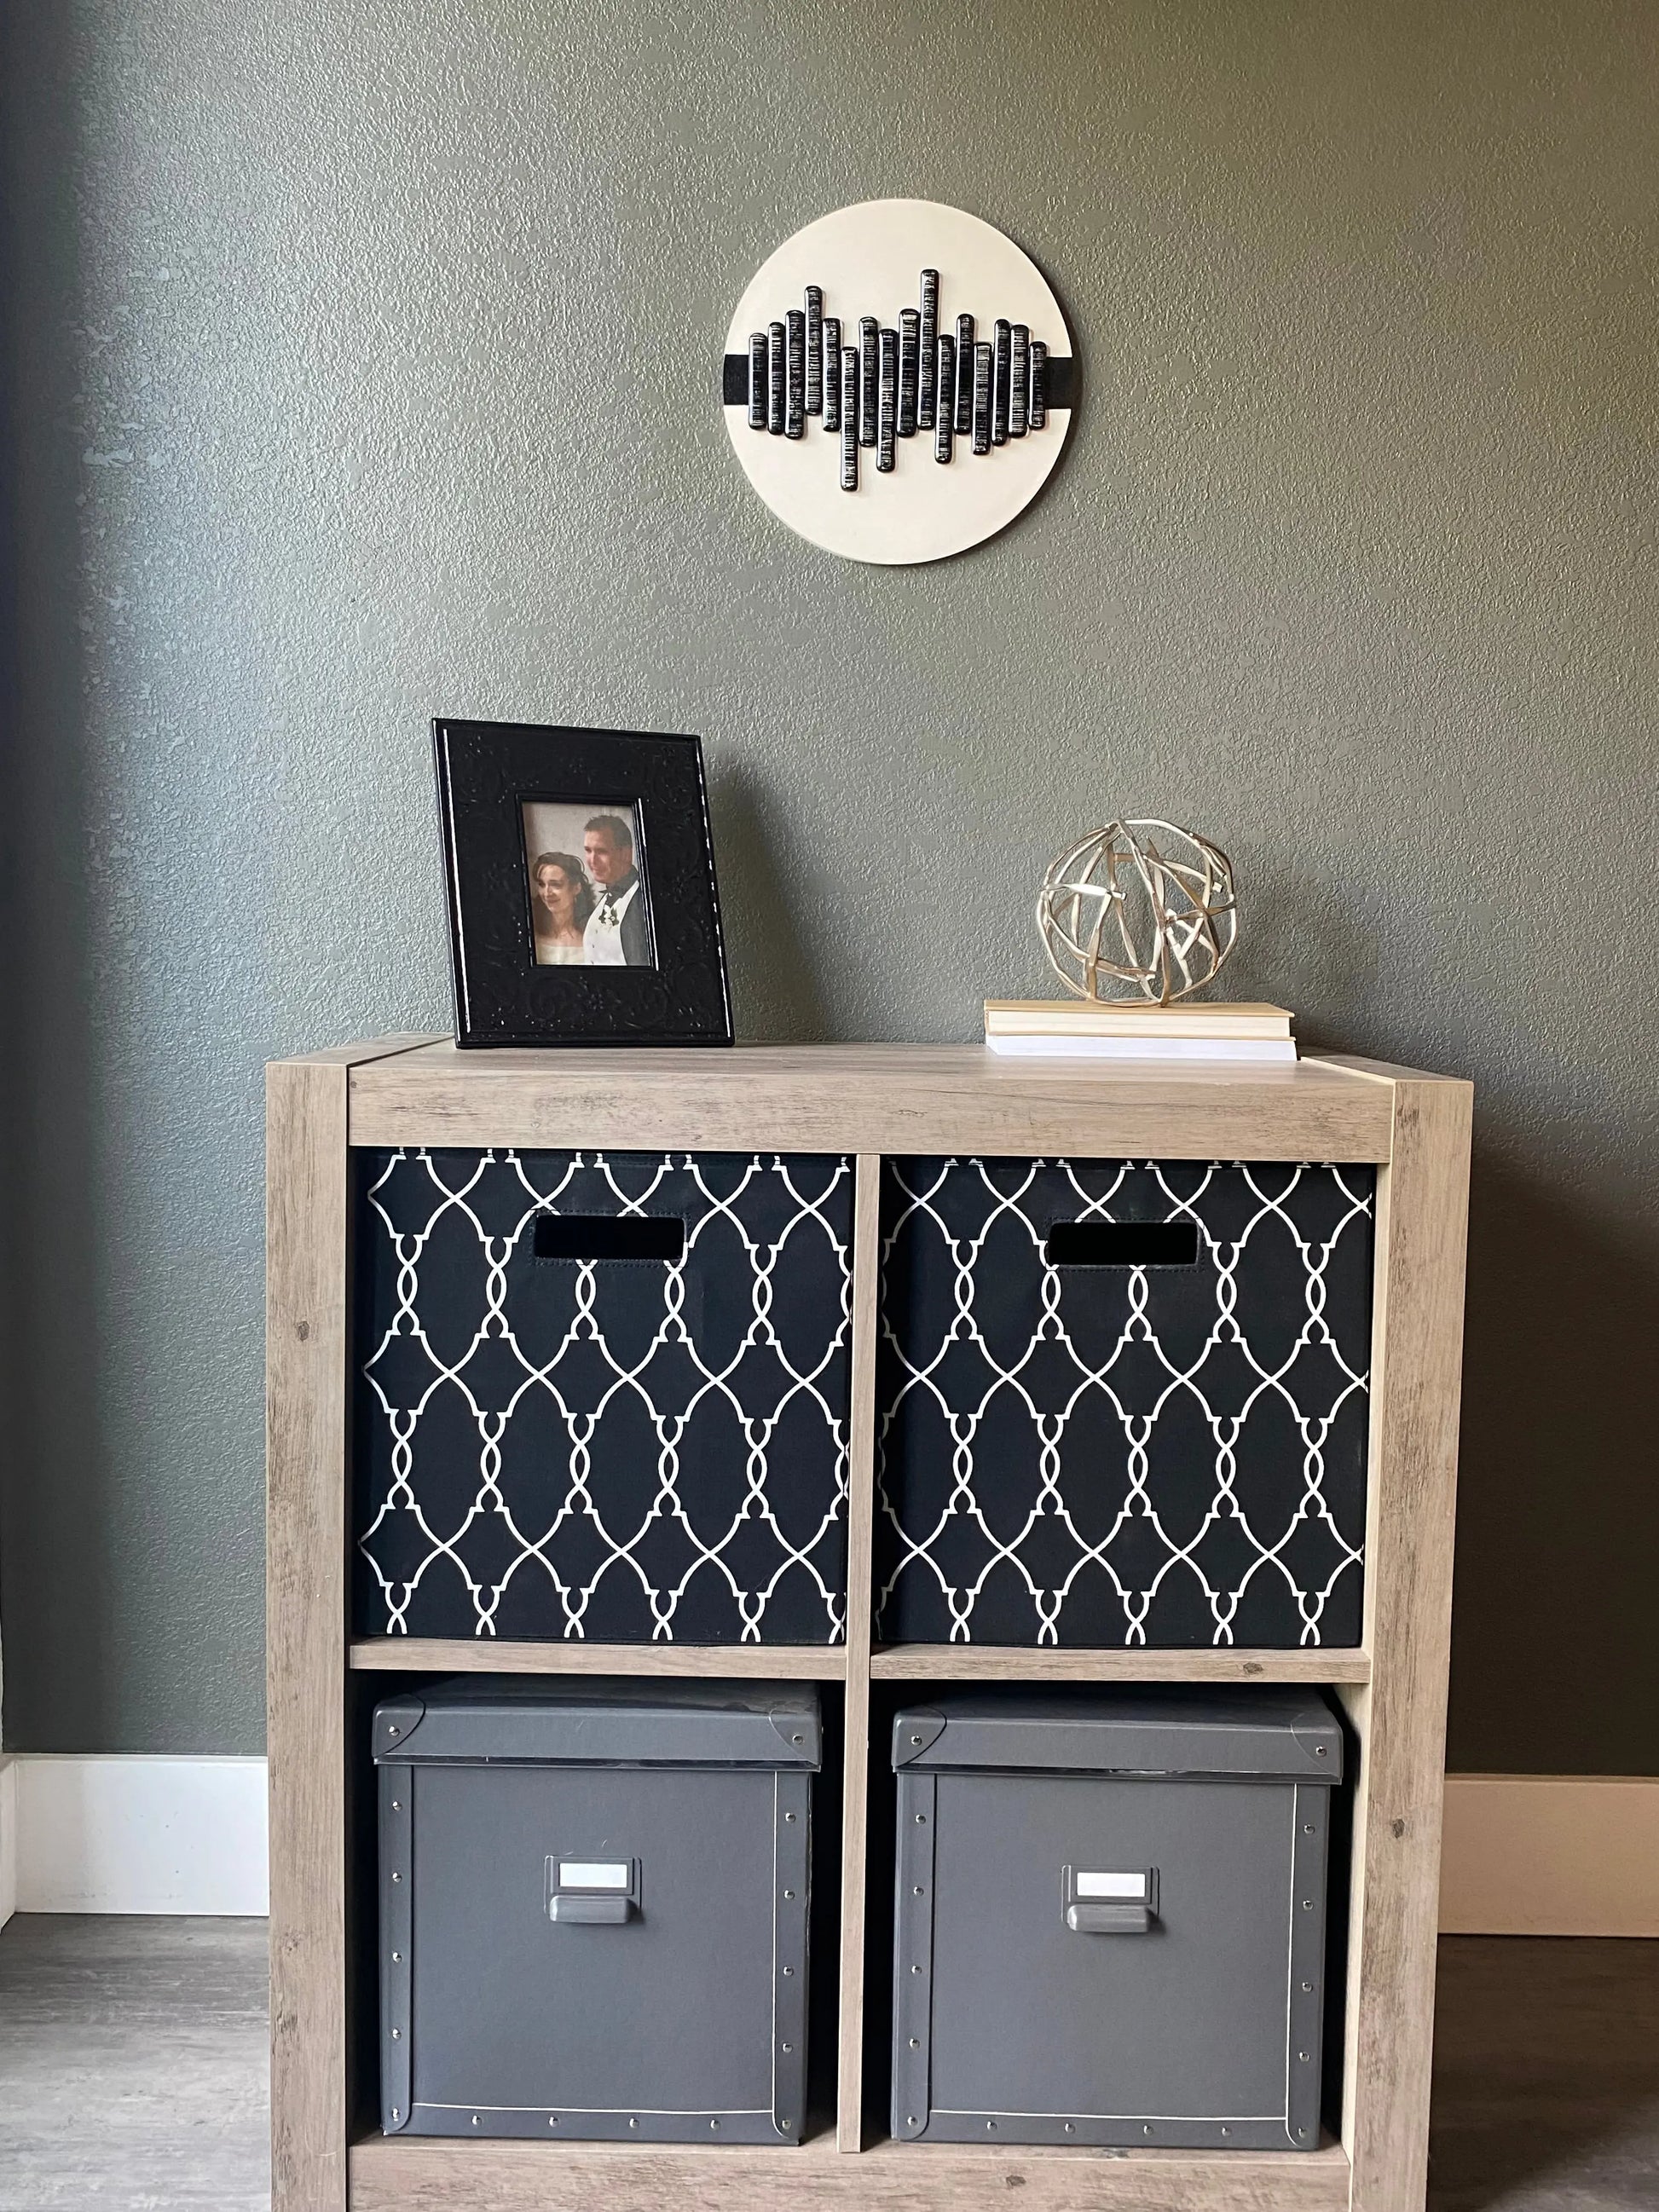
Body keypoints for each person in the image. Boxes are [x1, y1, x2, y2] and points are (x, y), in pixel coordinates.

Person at [581, 813, 651, 966]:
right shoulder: (607, 896)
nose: (592, 861)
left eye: (601, 851)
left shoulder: (644, 902)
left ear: (626, 854)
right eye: (588, 850)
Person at [529, 851, 592, 965]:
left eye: (556, 885)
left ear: (576, 888)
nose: (547, 893)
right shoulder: (531, 931)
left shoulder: (592, 934)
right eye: (542, 885)